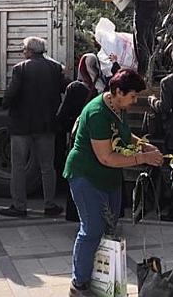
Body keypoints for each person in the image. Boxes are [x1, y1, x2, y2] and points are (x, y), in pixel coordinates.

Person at [64, 69, 164, 297]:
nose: (134, 101)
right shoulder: (98, 112)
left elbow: (126, 135)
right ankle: (78, 284)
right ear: (118, 92)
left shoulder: (117, 107)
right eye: (132, 96)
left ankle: (102, 278)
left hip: (108, 177)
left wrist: (144, 145)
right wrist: (142, 158)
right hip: (86, 175)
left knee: (110, 226)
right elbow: (106, 157)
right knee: (91, 229)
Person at [0, 37, 66, 217]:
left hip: (21, 125)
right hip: (46, 125)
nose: (23, 52)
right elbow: (63, 88)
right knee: (47, 166)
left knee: (18, 166)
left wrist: (5, 104)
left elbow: (12, 93)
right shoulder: (55, 68)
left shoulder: (20, 69)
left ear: (29, 51)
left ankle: (19, 206)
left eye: (23, 49)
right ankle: (50, 205)